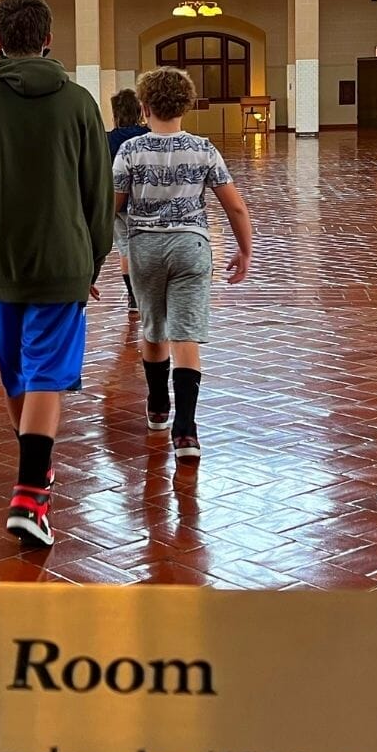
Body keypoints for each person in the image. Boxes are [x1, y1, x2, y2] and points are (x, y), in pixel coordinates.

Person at [0, 0, 112, 549]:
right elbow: (98, 193)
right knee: (42, 376)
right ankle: (31, 491)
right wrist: (96, 258)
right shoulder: (80, 103)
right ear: (48, 39)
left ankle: (33, 479)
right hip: (62, 260)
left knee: (21, 373)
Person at [113, 67, 252, 465]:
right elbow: (235, 205)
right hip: (192, 247)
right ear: (186, 106)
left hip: (144, 249)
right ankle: (186, 432)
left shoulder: (130, 151)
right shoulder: (204, 149)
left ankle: (158, 406)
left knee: (153, 328)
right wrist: (245, 251)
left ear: (143, 107)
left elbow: (113, 205)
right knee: (185, 336)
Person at [107, 88, 149, 314]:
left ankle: (133, 298)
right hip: (143, 202)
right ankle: (148, 295)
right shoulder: (147, 135)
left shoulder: (107, 139)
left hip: (116, 203)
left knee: (125, 249)